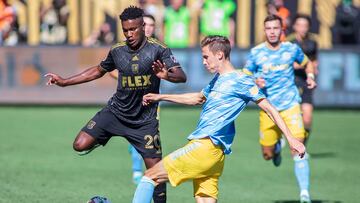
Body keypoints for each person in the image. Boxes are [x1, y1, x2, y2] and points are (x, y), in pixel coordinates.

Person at [132, 35, 306, 203]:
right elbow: (198, 98)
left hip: (204, 148)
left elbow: (269, 108)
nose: (204, 61)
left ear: (220, 55)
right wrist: (160, 97)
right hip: (215, 156)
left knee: (150, 177)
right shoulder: (218, 79)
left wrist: (291, 139)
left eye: (206, 57)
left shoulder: (241, 80)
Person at [45, 6, 187, 203]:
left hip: (144, 121)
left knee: (156, 172)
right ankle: (102, 140)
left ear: (143, 26)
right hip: (116, 112)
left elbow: (181, 76)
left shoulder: (159, 49)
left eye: (133, 29)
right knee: (79, 145)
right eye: (125, 30)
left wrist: (165, 75)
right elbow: (97, 71)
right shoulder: (117, 50)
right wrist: (65, 81)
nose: (129, 34)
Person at [243, 15, 316, 203]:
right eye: (269, 28)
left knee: (298, 148)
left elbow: (307, 62)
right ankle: (275, 148)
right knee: (267, 155)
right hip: (268, 108)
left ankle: (304, 194)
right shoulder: (257, 52)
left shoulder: (291, 49)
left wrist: (310, 76)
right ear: (264, 30)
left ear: (282, 30)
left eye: (276, 28)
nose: (272, 32)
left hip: (290, 105)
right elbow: (245, 74)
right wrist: (254, 80)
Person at [108, 13, 157, 185]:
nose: (149, 28)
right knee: (138, 138)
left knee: (149, 139)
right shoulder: (126, 48)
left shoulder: (157, 48)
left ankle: (148, 173)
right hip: (128, 103)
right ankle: (138, 171)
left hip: (149, 103)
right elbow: (109, 68)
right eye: (147, 24)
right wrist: (128, 81)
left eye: (152, 25)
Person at [287, 14, 319, 143]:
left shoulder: (313, 42)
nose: (302, 28)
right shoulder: (289, 42)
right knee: (290, 116)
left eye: (305, 26)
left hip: (307, 82)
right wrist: (306, 64)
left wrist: (313, 66)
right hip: (291, 82)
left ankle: (302, 146)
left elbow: (315, 60)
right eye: (299, 25)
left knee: (307, 118)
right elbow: (288, 63)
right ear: (294, 26)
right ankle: (286, 138)